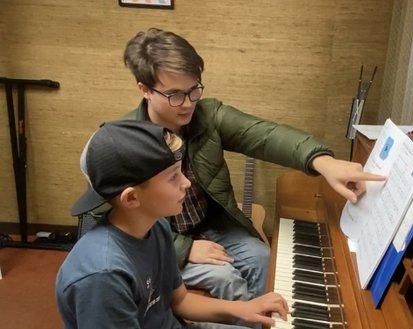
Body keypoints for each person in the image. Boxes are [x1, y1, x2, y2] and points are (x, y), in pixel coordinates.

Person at [121, 28, 385, 302]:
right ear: (145, 90)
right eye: (175, 94)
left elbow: (265, 136)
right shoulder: (124, 141)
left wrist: (323, 162)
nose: (188, 104)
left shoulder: (207, 115)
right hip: (161, 242)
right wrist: (183, 249)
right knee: (225, 278)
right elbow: (118, 224)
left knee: (262, 256)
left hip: (212, 225)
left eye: (193, 90)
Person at [56, 120, 289, 329]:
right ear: (131, 199)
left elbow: (180, 301)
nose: (187, 183)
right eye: (173, 177)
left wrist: (242, 308)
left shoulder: (156, 225)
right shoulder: (102, 275)